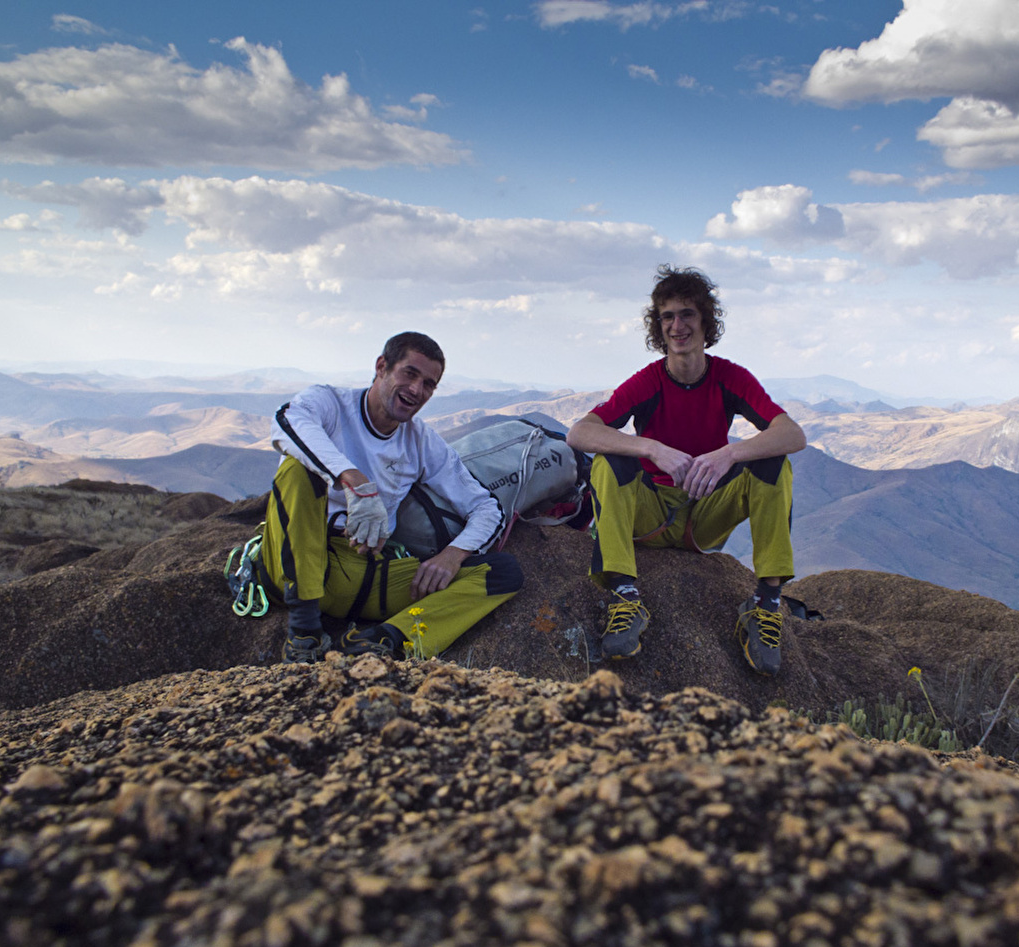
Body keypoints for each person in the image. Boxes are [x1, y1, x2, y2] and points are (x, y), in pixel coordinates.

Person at [566, 265, 806, 675]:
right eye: (667, 317)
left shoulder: (731, 378)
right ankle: (625, 596)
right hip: (651, 517)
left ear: (705, 321)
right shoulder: (647, 382)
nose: (677, 326)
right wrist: (651, 448)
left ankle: (766, 603)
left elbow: (792, 434)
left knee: (772, 463)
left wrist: (729, 454)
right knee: (610, 460)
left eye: (687, 314)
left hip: (705, 516)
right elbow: (580, 432)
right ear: (658, 328)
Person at [260, 331, 522, 663]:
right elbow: (287, 421)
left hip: (362, 573)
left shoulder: (420, 440)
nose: (417, 389)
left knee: (502, 573)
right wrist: (353, 480)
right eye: (409, 373)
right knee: (298, 471)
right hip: (296, 563)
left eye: (429, 384)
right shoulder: (330, 404)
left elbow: (486, 507)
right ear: (382, 366)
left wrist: (453, 555)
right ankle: (304, 633)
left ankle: (384, 639)